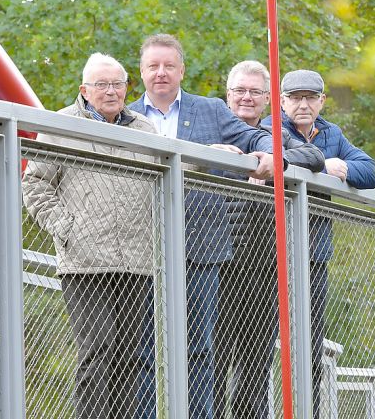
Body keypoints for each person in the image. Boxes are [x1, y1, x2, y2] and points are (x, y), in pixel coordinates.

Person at [127, 34, 278, 419]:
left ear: (182, 70)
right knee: (142, 350)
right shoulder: (126, 118)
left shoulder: (210, 110)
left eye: (169, 66)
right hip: (141, 247)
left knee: (199, 348)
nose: (161, 73)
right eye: (152, 66)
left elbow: (256, 135)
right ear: (141, 72)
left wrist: (265, 154)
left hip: (202, 243)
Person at [22, 53, 157, 418]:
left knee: (131, 356)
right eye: (101, 84)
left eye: (117, 84)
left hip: (138, 259)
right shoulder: (61, 124)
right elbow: (35, 182)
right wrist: (66, 229)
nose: (111, 91)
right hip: (84, 261)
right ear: (84, 90)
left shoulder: (145, 129)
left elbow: (168, 179)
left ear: (127, 87)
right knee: (98, 348)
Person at [263, 69, 375, 415]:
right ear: (282, 101)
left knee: (311, 344)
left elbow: (370, 171)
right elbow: (284, 158)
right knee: (260, 342)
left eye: (310, 98)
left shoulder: (331, 133)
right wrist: (320, 164)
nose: (303, 104)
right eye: (295, 98)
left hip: (313, 252)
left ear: (321, 101)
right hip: (270, 249)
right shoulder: (270, 129)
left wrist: (337, 165)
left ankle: (308, 412)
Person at [214, 60, 325, 418]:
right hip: (213, 262)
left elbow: (314, 155)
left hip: (263, 263)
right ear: (227, 95)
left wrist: (266, 158)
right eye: (239, 91)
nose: (246, 98)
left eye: (254, 92)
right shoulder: (211, 125)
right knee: (211, 359)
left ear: (266, 99)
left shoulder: (275, 135)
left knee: (254, 364)